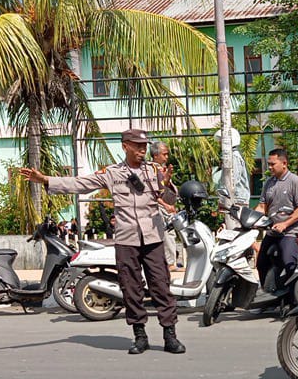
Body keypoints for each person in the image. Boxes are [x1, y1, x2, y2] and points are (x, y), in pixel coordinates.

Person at [19, 128, 185, 355]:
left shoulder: (154, 170)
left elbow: (169, 201)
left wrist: (166, 184)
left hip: (153, 238)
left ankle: (170, 335)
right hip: (127, 238)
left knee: (161, 286)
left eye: (144, 146)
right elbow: (81, 183)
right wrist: (46, 180)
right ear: (125, 146)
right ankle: (139, 335)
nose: (142, 150)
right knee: (131, 287)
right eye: (137, 146)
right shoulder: (112, 172)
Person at [254, 147, 298, 287]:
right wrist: (251, 220)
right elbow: (262, 207)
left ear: (284, 163)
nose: (270, 167)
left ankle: (293, 300)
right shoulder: (269, 183)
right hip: (272, 231)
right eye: (269, 164)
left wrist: (285, 224)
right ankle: (268, 296)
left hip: (290, 232)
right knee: (261, 263)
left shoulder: (295, 181)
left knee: (289, 263)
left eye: (273, 164)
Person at [151, 140, 183, 269]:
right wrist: (165, 205)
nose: (166, 157)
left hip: (168, 206)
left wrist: (168, 177)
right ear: (156, 155)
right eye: (164, 154)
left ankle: (171, 262)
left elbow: (164, 185)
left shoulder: (160, 169)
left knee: (170, 234)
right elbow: (154, 191)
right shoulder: (152, 169)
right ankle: (170, 263)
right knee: (167, 234)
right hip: (162, 206)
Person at [212, 127, 251, 216]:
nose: (219, 143)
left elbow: (233, 180)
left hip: (237, 200)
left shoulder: (234, 157)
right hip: (232, 199)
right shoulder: (230, 156)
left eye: (222, 141)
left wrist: (224, 196)